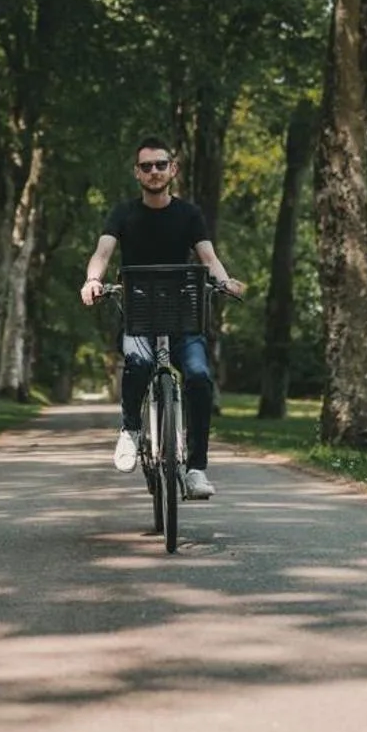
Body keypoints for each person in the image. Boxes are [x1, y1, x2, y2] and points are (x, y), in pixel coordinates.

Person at [79, 135, 244, 500]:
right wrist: (93, 280)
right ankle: (131, 429)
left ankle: (196, 468)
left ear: (173, 169)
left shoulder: (189, 214)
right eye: (146, 166)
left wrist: (224, 280)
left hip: (184, 312)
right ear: (137, 173)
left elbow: (208, 257)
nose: (154, 172)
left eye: (160, 165)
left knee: (199, 378)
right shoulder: (123, 213)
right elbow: (103, 252)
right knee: (137, 362)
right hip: (138, 311)